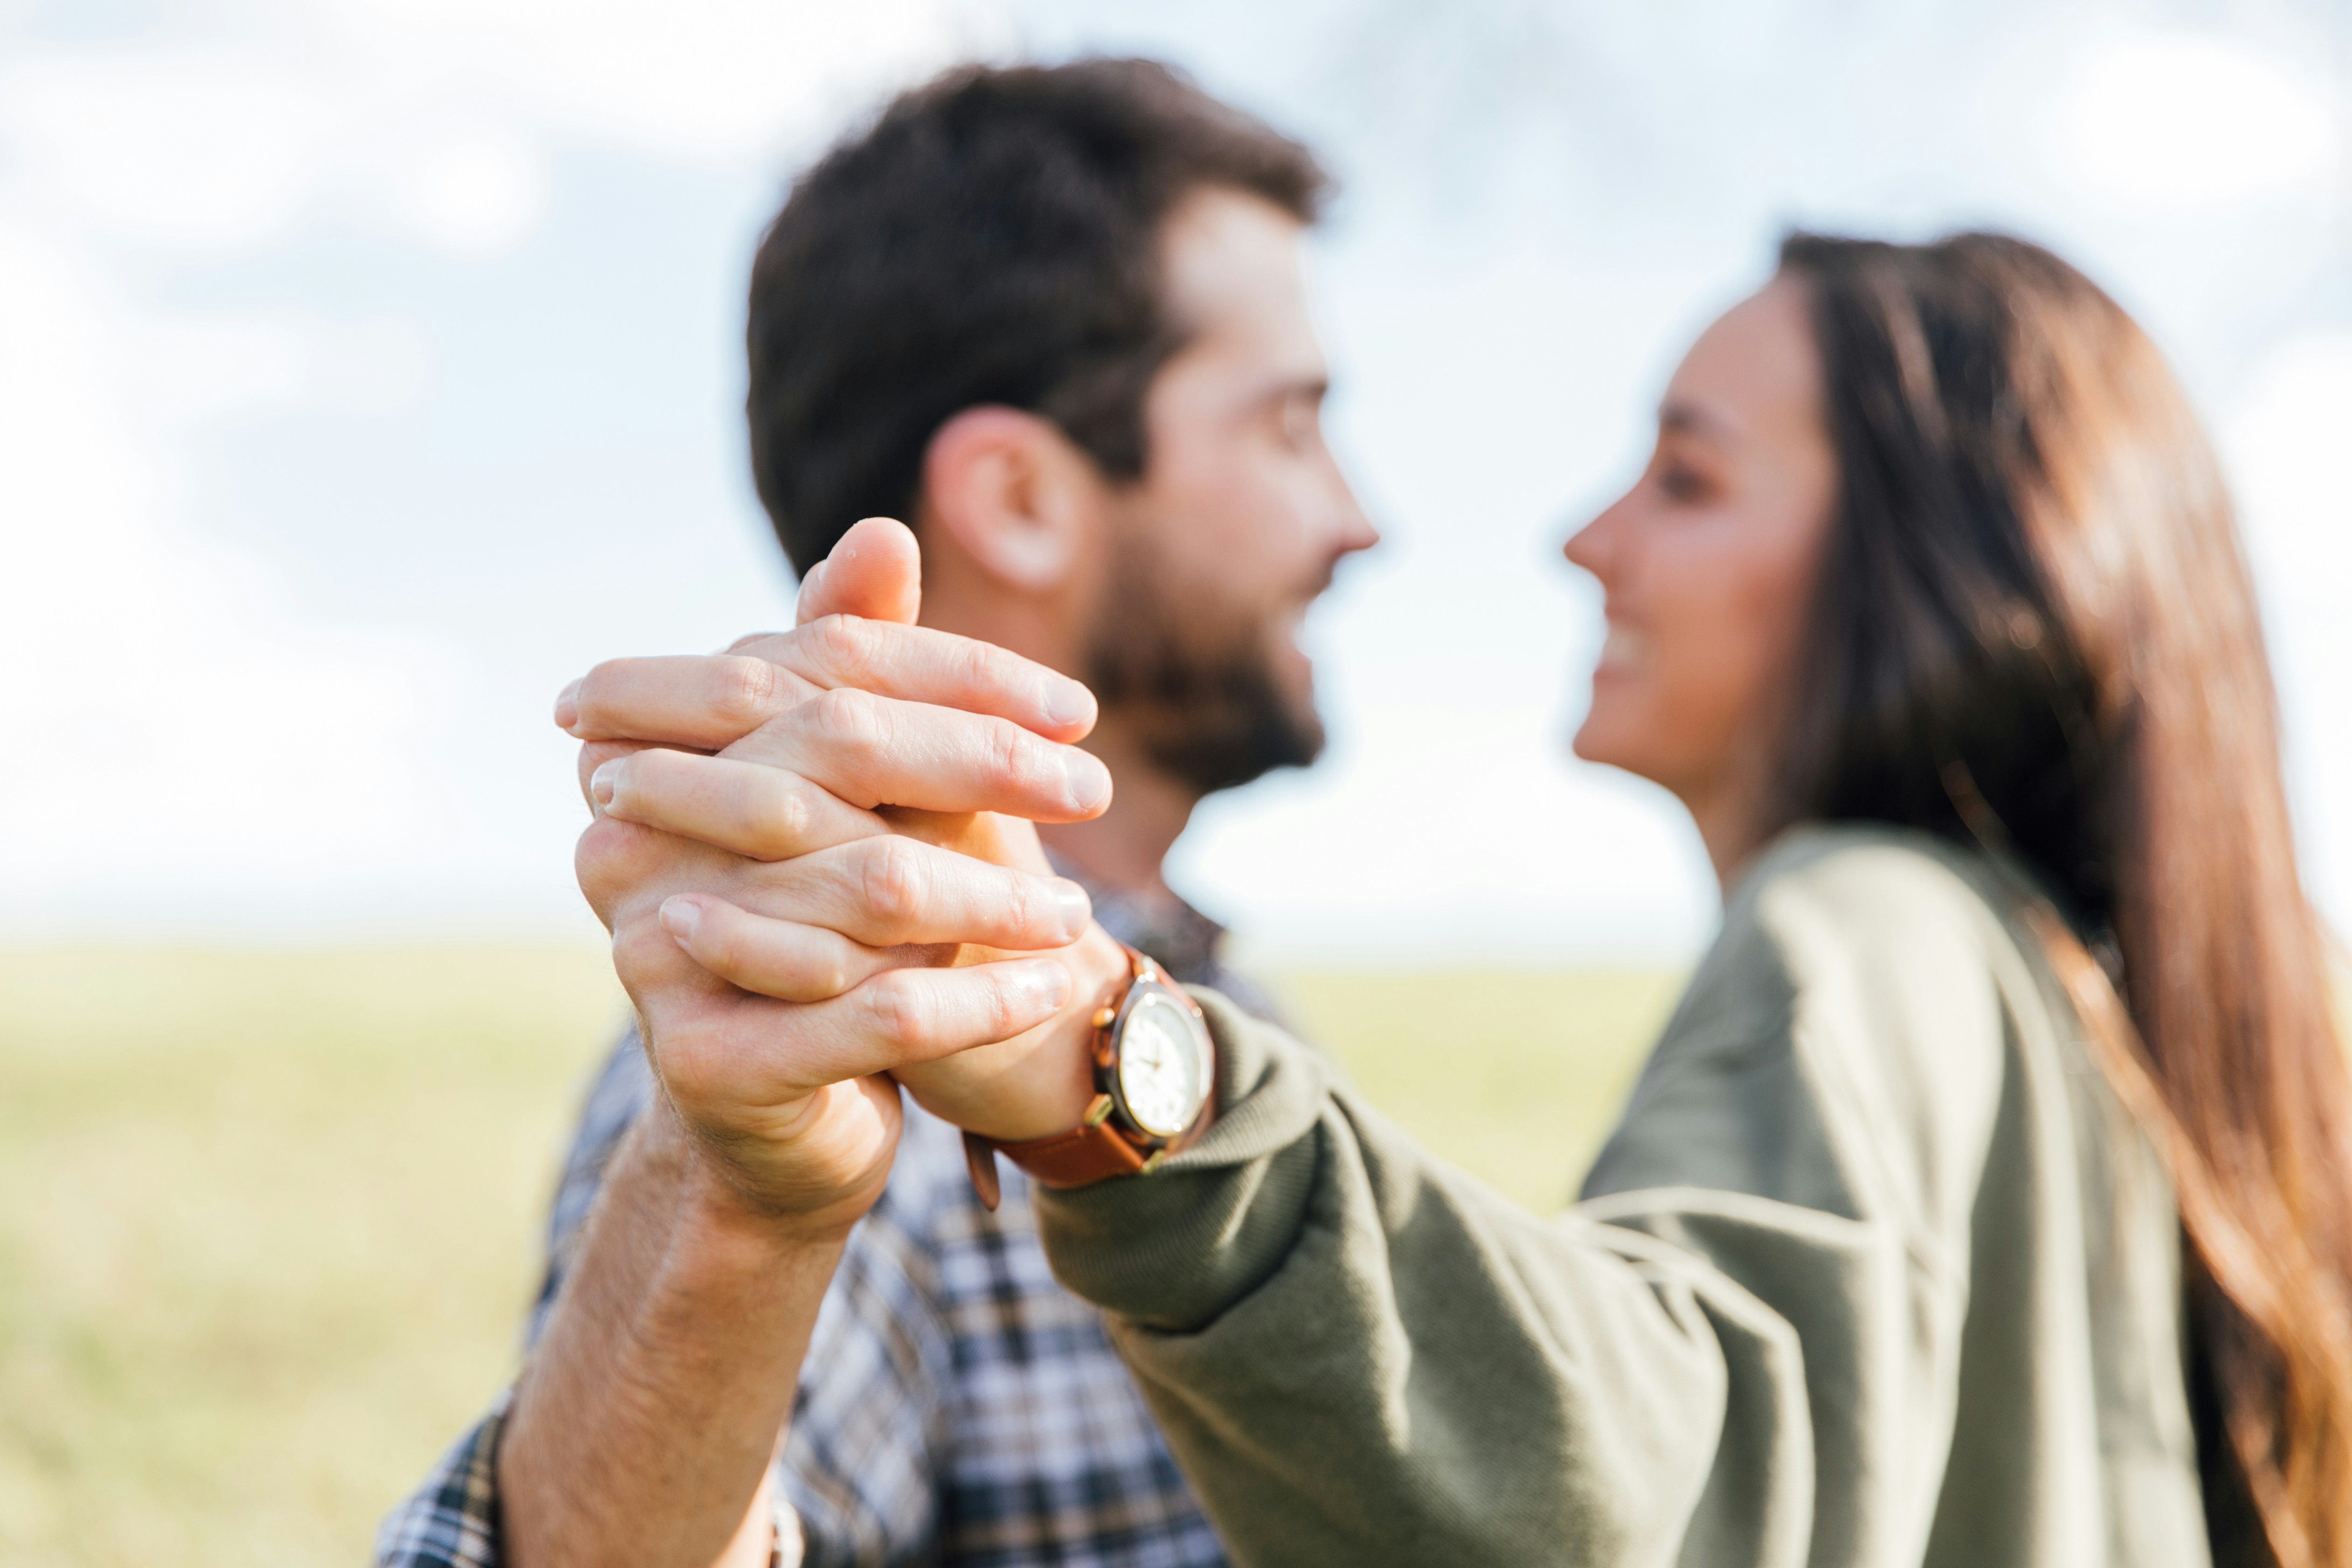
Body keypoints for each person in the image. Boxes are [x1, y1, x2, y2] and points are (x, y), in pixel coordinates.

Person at [565, 231, 2352, 1567]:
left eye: (1691, 474)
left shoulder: (1869, 924)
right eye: (1286, 426)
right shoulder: (2073, 1007)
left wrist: (1109, 1065)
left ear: (1932, 569)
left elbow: (1673, 1484)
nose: (1585, 538)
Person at [376, 58, 1373, 1568]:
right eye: (1288, 427)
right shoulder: (830, 1045)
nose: (1355, 519)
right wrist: (737, 1212)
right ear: (1023, 498)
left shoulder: (1219, 1000)